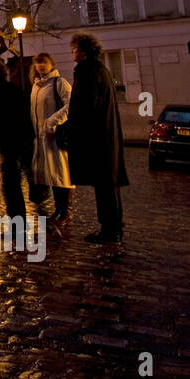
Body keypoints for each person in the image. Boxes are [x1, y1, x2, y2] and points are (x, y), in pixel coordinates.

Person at [66, 32, 130, 243]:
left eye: (75, 49)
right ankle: (114, 225)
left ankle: (110, 229)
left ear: (83, 51)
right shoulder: (99, 69)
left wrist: (72, 129)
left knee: (104, 185)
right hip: (103, 136)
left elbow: (86, 106)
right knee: (107, 184)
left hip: (97, 138)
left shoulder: (88, 71)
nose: (73, 53)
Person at [0, 59, 35, 223]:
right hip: (23, 141)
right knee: (27, 180)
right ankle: (37, 212)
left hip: (10, 144)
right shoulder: (16, 90)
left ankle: (18, 223)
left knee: (11, 186)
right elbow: (27, 115)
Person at [30, 52, 74, 229]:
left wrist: (52, 122)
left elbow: (71, 105)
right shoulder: (36, 86)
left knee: (62, 174)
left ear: (51, 64)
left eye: (44, 62)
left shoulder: (59, 83)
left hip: (57, 137)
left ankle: (65, 212)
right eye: (38, 63)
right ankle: (58, 210)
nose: (41, 66)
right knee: (52, 175)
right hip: (41, 139)